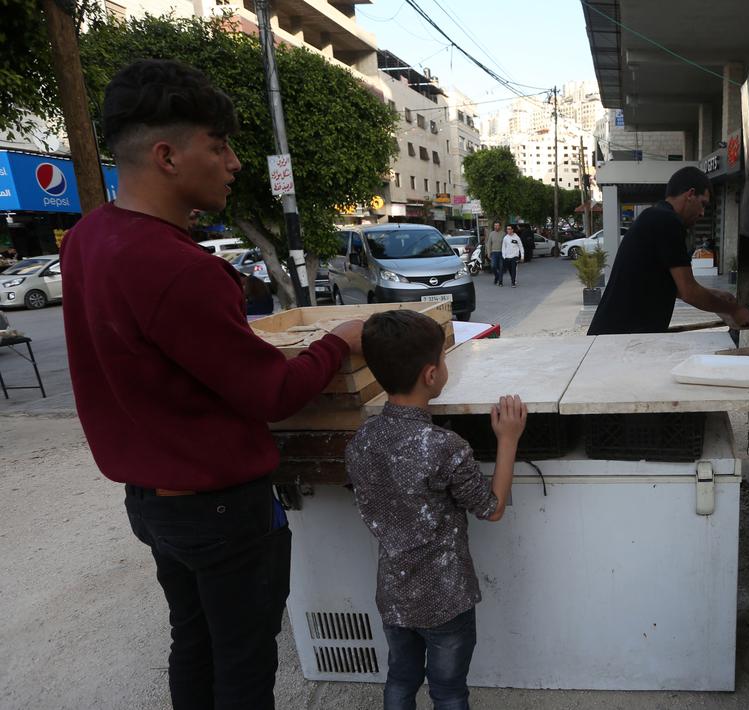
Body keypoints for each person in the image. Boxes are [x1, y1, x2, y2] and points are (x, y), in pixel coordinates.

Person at [59, 59, 365, 710]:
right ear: (167, 155)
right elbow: (270, 395)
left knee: (193, 643)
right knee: (245, 667)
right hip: (221, 511)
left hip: (152, 505)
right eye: (218, 145)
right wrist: (340, 341)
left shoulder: (87, 239)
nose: (233, 163)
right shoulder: (179, 270)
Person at [346, 310, 527, 710]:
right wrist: (508, 438)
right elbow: (491, 508)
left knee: (400, 679)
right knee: (447, 691)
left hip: (394, 595)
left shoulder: (361, 440)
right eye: (444, 360)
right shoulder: (443, 446)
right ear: (431, 375)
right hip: (447, 599)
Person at [588, 166, 749, 335]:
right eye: (702, 204)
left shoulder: (655, 216)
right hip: (617, 338)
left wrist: (714, 294)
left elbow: (666, 287)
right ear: (690, 195)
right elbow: (689, 292)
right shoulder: (667, 221)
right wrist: (734, 310)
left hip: (615, 333)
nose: (703, 213)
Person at [485, 220, 504, 285]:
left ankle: (500, 281)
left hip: (501, 253)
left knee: (501, 267)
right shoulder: (491, 233)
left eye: (497, 225)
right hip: (494, 253)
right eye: (495, 225)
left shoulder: (503, 234)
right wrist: (488, 252)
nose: (496, 227)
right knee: (493, 266)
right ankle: (497, 276)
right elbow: (488, 244)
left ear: (500, 226)